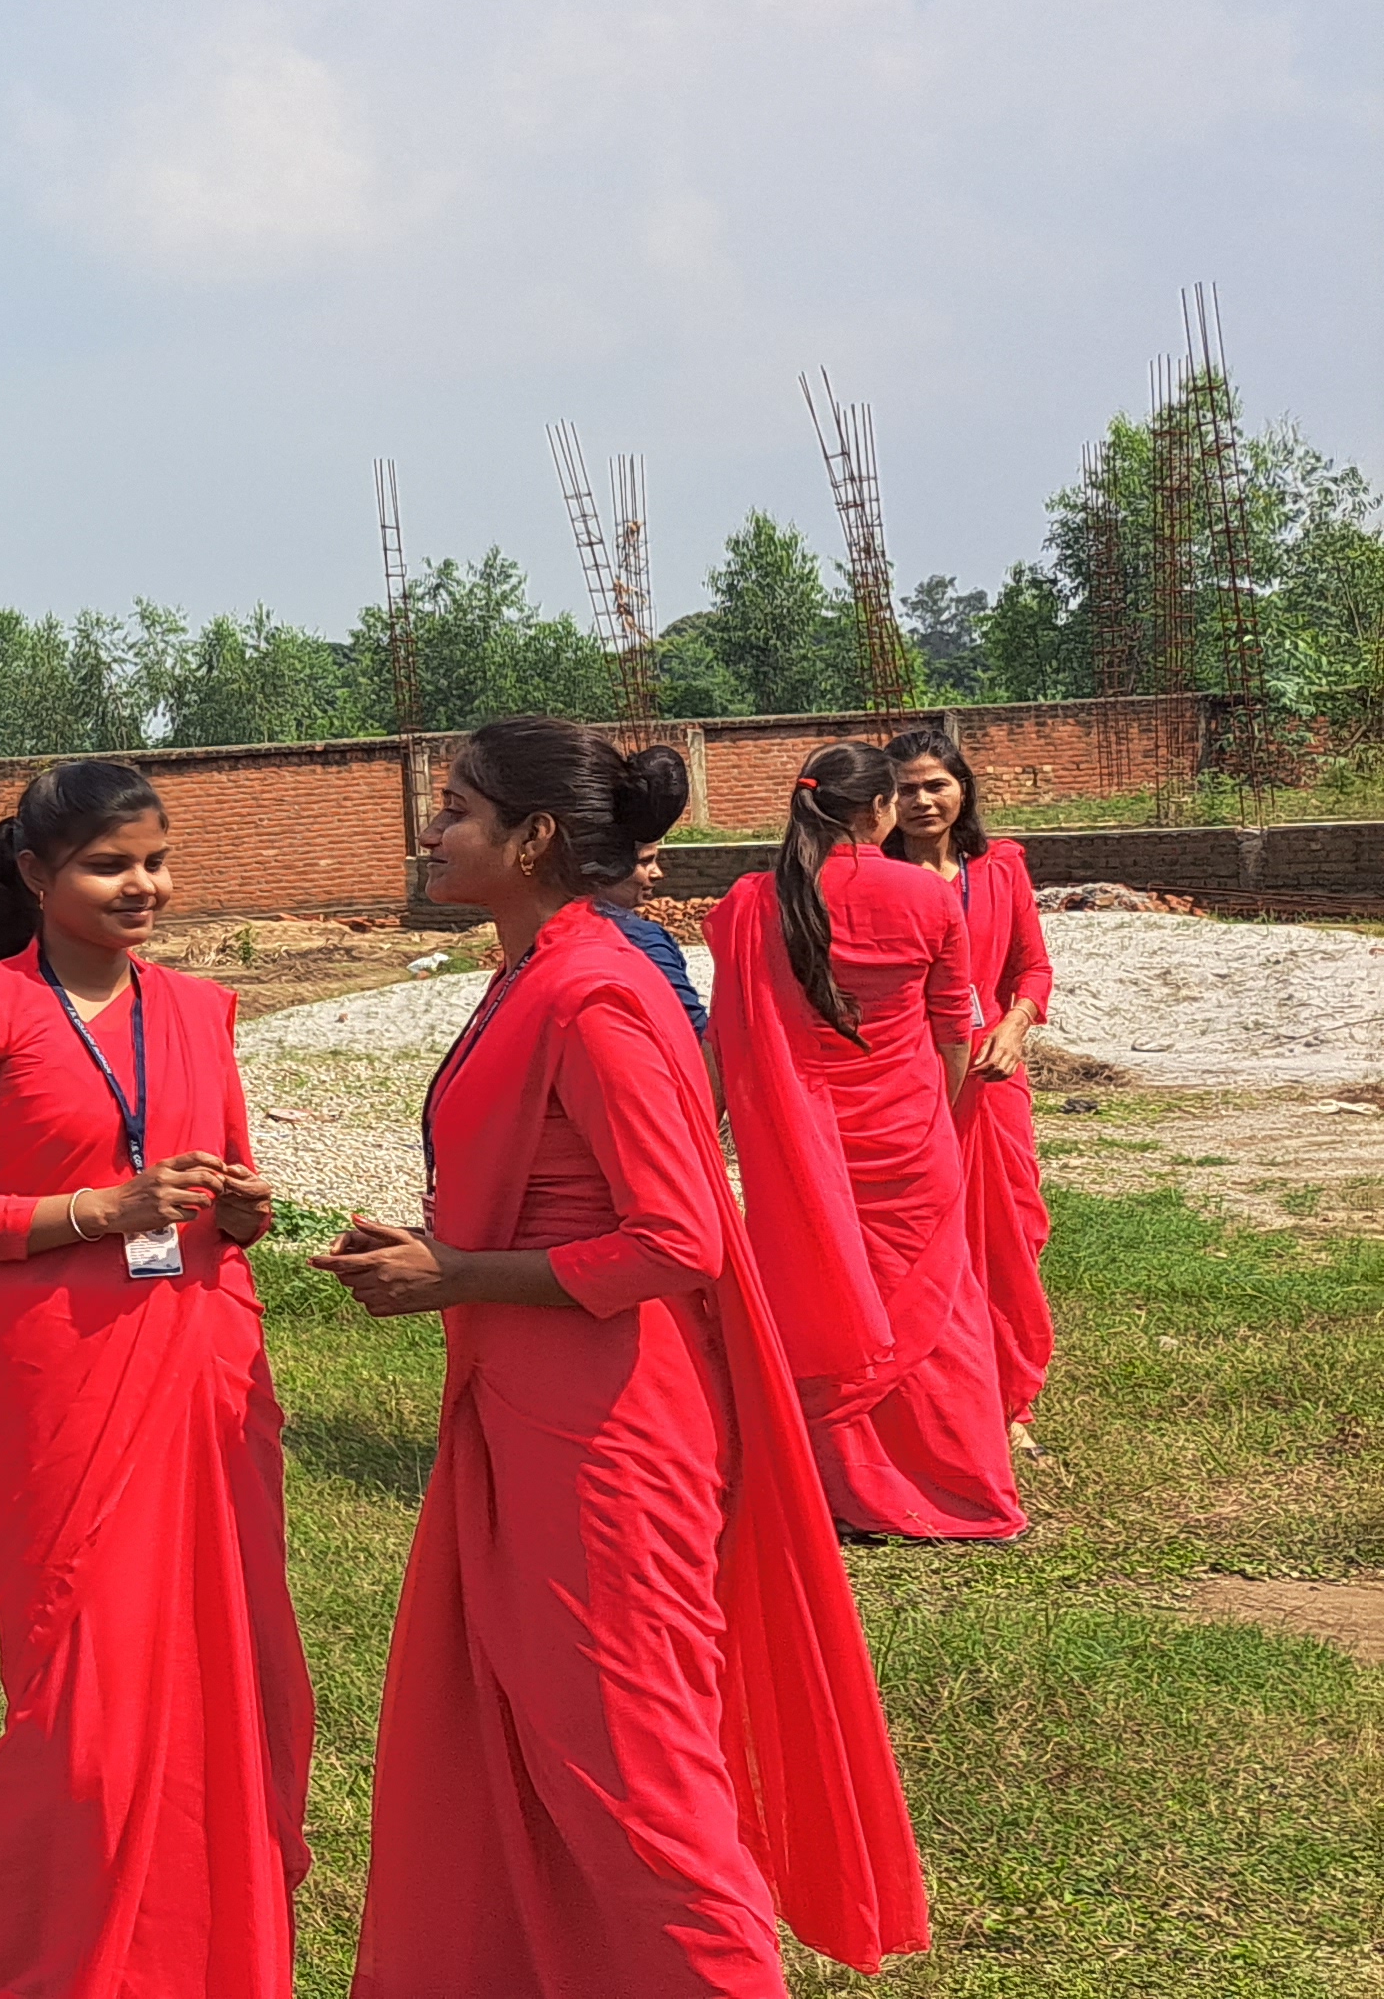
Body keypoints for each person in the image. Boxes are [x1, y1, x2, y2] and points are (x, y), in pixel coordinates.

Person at [315, 719, 924, 1993]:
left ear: (533, 836)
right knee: (537, 1743)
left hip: (605, 1435)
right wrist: (440, 1250)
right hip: (532, 1399)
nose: (430, 830)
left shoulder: (591, 989)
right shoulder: (532, 968)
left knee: (635, 1778)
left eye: (455, 809)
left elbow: (675, 1235)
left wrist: (456, 1272)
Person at [0, 759, 310, 1999]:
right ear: (34, 872)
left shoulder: (200, 1008)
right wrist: (99, 1208)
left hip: (202, 1354)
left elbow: (230, 1186)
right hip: (60, 1368)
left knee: (226, 1657)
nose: (143, 887)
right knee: (81, 1687)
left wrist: (242, 1210)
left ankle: (195, 1942)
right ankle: (40, 1952)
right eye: (108, 865)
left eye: (156, 861)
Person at [708, 741, 1022, 1544]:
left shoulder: (754, 903)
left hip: (799, 1145)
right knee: (937, 1315)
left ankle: (834, 1489)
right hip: (909, 1133)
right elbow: (953, 1029)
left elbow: (724, 1038)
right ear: (879, 808)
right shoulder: (924, 896)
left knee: (817, 1301)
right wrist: (933, 1114)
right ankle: (964, 1490)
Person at [887, 729, 1057, 1454]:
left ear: (964, 790)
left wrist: (1014, 1027)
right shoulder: (874, 878)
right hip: (910, 1075)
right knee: (926, 1234)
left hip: (991, 1076)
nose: (922, 801)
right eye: (905, 789)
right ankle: (934, 1394)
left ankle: (1009, 1397)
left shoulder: (999, 868)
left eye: (936, 785)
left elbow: (1032, 968)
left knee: (1010, 1229)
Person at [607, 837, 709, 1033]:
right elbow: (689, 1022)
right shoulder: (642, 939)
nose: (657, 873)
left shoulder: (554, 926)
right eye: (645, 861)